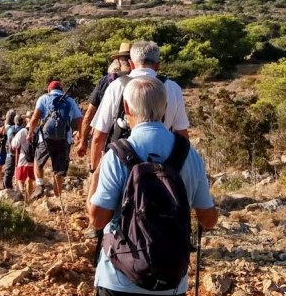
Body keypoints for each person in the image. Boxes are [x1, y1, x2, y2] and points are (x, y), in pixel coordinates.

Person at [87, 76, 218, 296]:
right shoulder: (189, 155)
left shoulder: (117, 154)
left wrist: (93, 185)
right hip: (170, 275)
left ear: (126, 108)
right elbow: (208, 219)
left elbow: (97, 219)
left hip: (119, 274)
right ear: (165, 107)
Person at [88, 40, 190, 173]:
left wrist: (95, 171)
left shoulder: (116, 87)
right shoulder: (173, 88)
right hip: (163, 167)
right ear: (157, 65)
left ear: (131, 63)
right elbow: (182, 135)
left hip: (121, 164)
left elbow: (98, 137)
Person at [76, 42, 133, 158]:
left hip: (108, 141)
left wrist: (83, 140)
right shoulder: (147, 82)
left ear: (118, 61)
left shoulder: (106, 81)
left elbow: (89, 114)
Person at [27, 80, 83, 199]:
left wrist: (30, 133)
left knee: (38, 160)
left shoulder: (43, 98)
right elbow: (80, 119)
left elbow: (35, 118)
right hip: (64, 139)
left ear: (49, 90)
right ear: (61, 90)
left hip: (45, 138)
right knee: (59, 170)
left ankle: (40, 185)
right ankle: (58, 197)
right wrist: (81, 135)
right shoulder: (70, 100)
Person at [9, 113, 35, 201]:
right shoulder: (38, 130)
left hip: (23, 158)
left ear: (27, 120)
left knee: (20, 178)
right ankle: (28, 198)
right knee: (30, 179)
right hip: (34, 158)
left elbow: (14, 145)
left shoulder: (23, 131)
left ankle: (22, 193)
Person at [0, 109, 16, 190]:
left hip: (4, 148)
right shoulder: (6, 124)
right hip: (6, 148)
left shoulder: (3, 123)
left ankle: (0, 183)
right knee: (3, 166)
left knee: (2, 166)